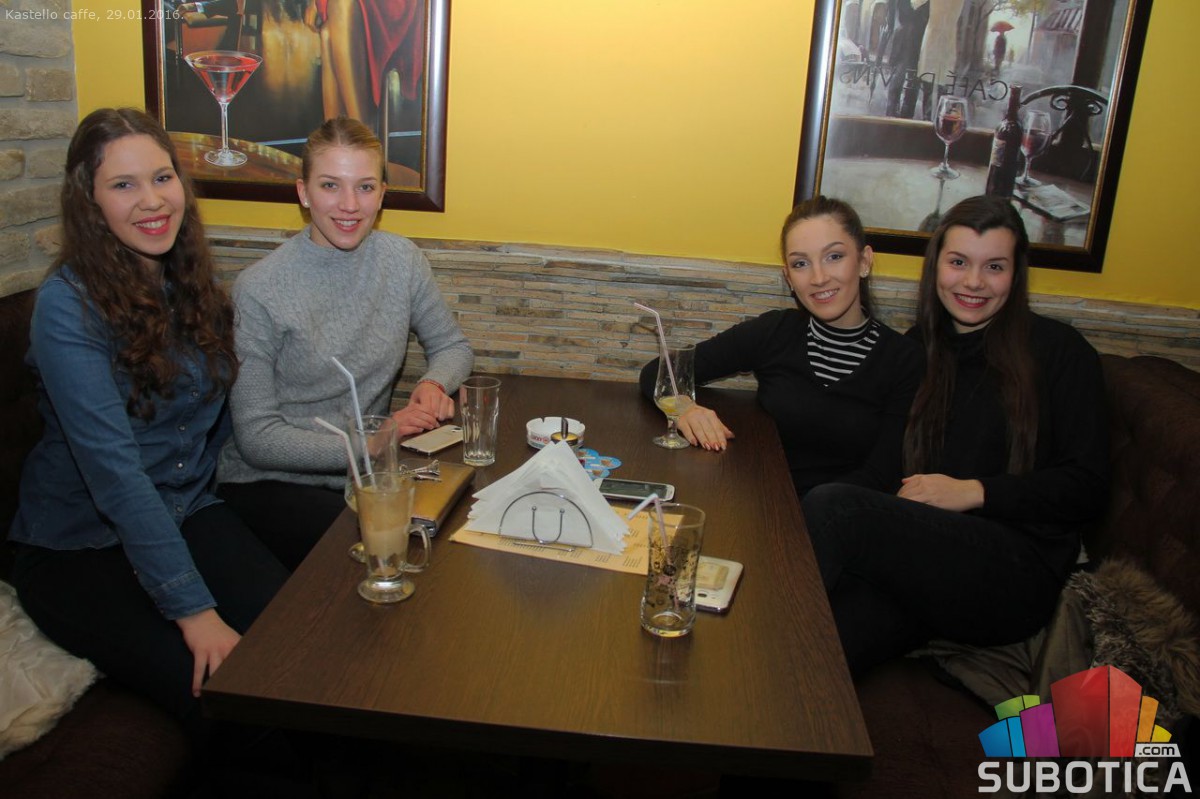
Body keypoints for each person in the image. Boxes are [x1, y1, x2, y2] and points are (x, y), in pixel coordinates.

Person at [7, 108, 289, 739]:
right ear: (88, 201)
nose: (153, 200)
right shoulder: (67, 306)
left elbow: (215, 423)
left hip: (184, 508)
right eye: (123, 184)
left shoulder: (190, 283)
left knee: (293, 642)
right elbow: (114, 474)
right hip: (78, 545)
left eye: (162, 178)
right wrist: (194, 610)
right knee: (226, 696)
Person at [802, 195, 1109, 677]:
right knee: (811, 649)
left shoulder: (1060, 351)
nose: (973, 282)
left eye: (994, 267)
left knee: (835, 507)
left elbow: (1087, 485)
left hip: (1015, 573)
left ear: (1016, 274)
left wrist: (975, 492)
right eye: (959, 262)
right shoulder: (916, 351)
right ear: (936, 267)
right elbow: (882, 468)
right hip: (925, 567)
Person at [217, 116, 472, 570]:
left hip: (365, 476)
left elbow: (453, 346)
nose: (350, 205)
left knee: (454, 528)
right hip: (271, 485)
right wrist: (372, 442)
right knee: (396, 550)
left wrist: (434, 383)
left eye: (365, 187)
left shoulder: (401, 261)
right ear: (303, 192)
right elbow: (256, 439)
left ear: (382, 194)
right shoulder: (259, 289)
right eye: (330, 185)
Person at [638, 196, 922, 498]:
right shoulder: (774, 332)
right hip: (765, 507)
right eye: (801, 264)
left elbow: (882, 475)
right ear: (789, 278)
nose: (819, 278)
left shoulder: (904, 358)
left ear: (864, 261)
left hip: (843, 516)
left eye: (834, 256)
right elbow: (658, 372)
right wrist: (685, 409)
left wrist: (804, 513)